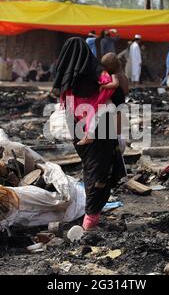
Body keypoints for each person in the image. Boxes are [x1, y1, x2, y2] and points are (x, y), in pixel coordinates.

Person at [52, 37, 126, 231]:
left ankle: (90, 217)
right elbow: (117, 98)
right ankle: (90, 220)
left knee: (90, 171)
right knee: (99, 173)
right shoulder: (98, 73)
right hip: (102, 135)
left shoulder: (66, 79)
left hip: (79, 135)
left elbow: (68, 111)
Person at [77, 53, 129, 146]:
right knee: (118, 129)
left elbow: (115, 85)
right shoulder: (124, 77)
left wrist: (103, 86)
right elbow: (125, 91)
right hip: (121, 104)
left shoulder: (113, 77)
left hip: (114, 104)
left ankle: (89, 136)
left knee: (96, 114)